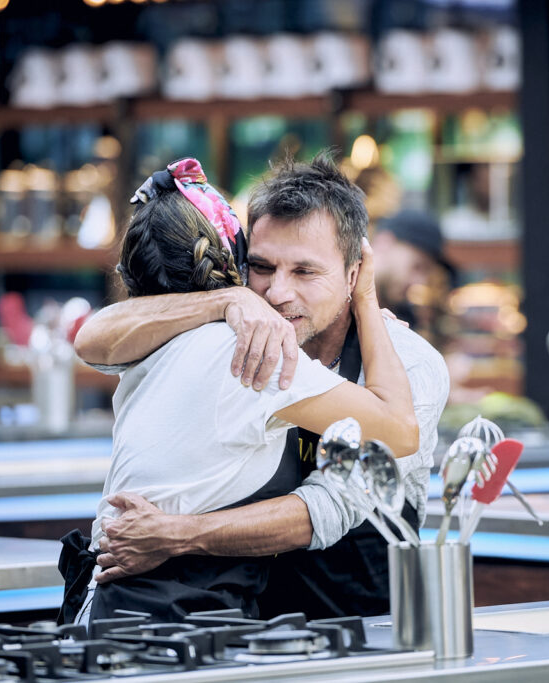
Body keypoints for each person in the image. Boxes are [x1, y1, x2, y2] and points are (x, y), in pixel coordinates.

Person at [74, 153, 450, 620]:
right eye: (262, 267)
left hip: (370, 620)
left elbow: (329, 505)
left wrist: (177, 533)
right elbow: (93, 340)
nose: (277, 293)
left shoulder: (411, 365)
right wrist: (226, 299)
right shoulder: (237, 338)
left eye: (305, 272)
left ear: (355, 273)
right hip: (254, 622)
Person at [371, 209, 456, 334]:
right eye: (418, 266)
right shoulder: (340, 300)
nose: (419, 282)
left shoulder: (402, 316)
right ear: (384, 242)